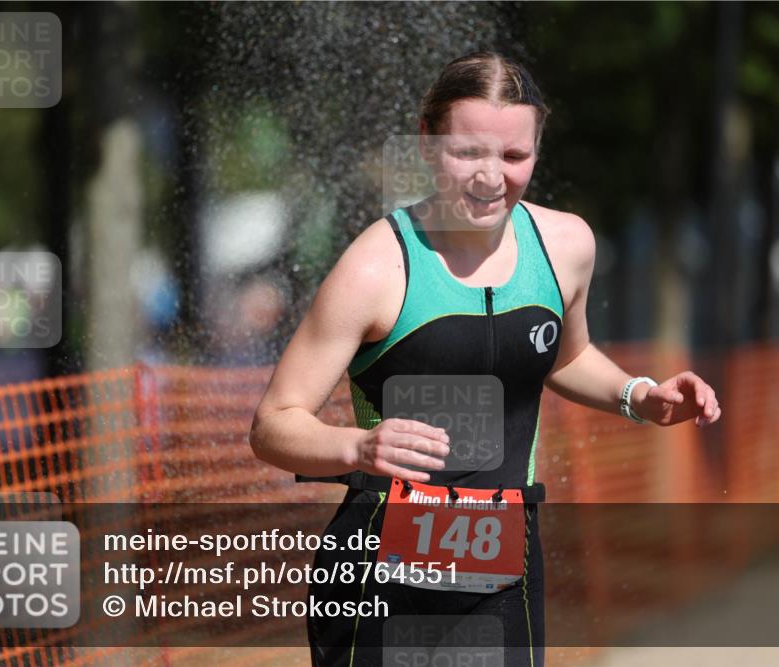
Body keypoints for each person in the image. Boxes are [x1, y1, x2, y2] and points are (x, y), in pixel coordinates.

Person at [250, 51, 721, 667]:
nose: (491, 177)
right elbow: (273, 423)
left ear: (537, 149)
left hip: (502, 565)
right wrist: (356, 448)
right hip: (380, 571)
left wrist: (640, 396)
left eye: (514, 156)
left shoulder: (566, 246)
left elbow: (566, 356)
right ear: (425, 142)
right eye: (468, 153)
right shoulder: (376, 266)